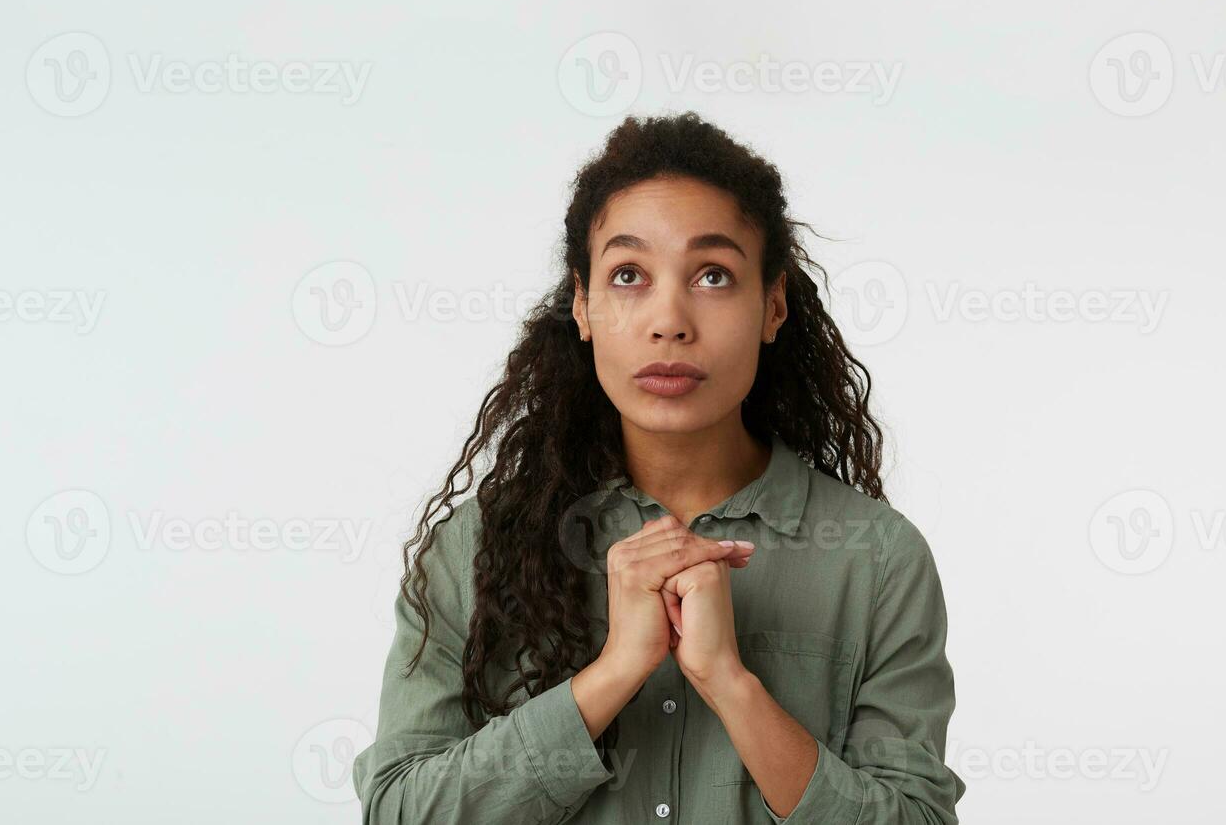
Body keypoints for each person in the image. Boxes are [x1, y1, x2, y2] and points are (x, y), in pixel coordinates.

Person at [352, 111, 966, 823]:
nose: (669, 319)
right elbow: (399, 812)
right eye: (628, 275)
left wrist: (731, 684)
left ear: (773, 306)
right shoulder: (476, 547)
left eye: (712, 274)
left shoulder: (878, 560)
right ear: (581, 305)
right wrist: (611, 675)